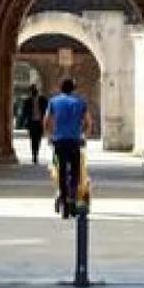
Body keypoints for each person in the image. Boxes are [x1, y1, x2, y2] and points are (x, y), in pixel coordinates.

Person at [43, 78, 94, 218]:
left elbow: (46, 120)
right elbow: (89, 122)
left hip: (59, 141)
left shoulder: (53, 101)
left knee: (61, 170)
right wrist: (85, 137)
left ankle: (63, 198)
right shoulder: (80, 102)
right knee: (75, 171)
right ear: (74, 89)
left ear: (60, 88)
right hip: (74, 141)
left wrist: (49, 136)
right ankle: (72, 196)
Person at [18, 85, 50, 164]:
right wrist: (22, 122)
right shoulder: (28, 101)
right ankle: (34, 154)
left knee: (38, 138)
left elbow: (47, 110)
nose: (34, 92)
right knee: (32, 139)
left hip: (40, 122)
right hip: (32, 122)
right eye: (33, 91)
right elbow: (24, 112)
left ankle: (36, 152)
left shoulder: (43, 100)